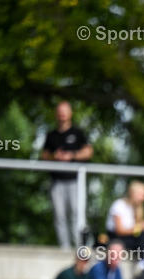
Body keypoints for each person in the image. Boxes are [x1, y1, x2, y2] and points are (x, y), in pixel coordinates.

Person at [40, 100, 93, 249]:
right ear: (56, 114)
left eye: (65, 111)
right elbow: (43, 156)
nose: (62, 115)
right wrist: (54, 157)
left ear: (70, 113)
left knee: (77, 215)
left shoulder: (78, 133)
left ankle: (78, 247)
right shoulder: (51, 135)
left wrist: (72, 155)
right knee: (59, 216)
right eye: (60, 111)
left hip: (75, 181)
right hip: (57, 182)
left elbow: (88, 151)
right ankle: (64, 248)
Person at [106, 180, 144, 279]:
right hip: (116, 237)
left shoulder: (135, 208)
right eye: (141, 195)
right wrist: (140, 227)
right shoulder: (119, 205)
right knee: (143, 235)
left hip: (128, 238)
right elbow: (119, 230)